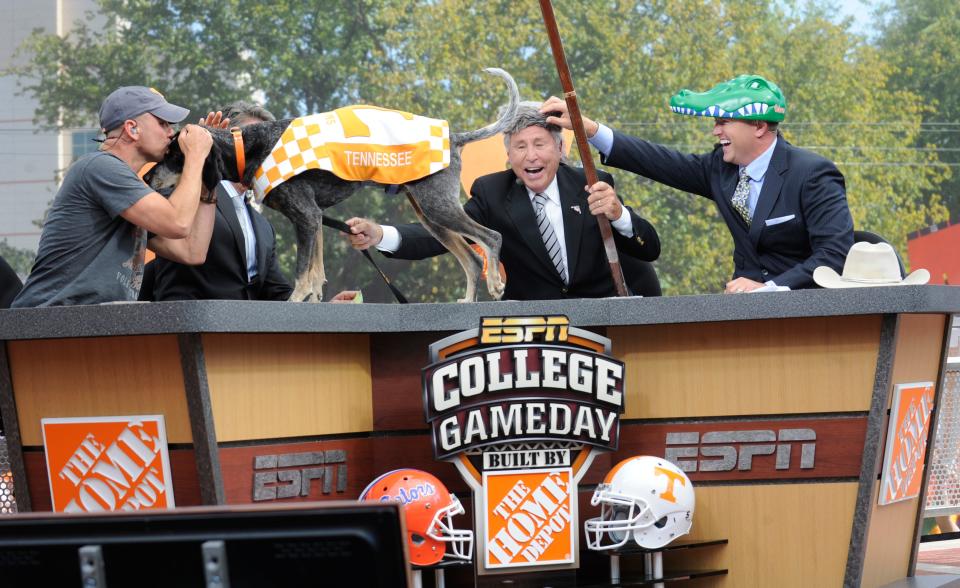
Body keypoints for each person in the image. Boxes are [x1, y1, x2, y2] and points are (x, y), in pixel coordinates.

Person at [542, 74, 854, 293]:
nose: (716, 131)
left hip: (808, 315)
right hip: (745, 314)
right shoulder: (720, 168)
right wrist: (590, 129)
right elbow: (659, 161)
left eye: (723, 122)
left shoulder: (812, 174)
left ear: (759, 126)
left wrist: (769, 288)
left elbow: (834, 255)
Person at [346, 102, 660, 300]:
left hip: (601, 327)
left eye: (539, 144)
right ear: (508, 155)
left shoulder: (592, 183)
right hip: (533, 337)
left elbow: (649, 249)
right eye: (520, 147)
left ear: (559, 149)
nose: (531, 155)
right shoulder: (492, 192)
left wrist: (619, 214)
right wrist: (380, 234)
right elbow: (444, 234)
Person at [12, 86, 216, 307]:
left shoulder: (129, 188)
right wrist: (196, 155)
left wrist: (209, 173)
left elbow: (192, 252)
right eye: (162, 123)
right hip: (50, 321)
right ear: (132, 128)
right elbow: (177, 223)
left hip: (88, 322)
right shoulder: (100, 167)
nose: (171, 132)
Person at [148, 101, 293, 301]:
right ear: (229, 138)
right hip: (186, 323)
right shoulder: (184, 195)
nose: (263, 150)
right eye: (254, 138)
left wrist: (327, 308)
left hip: (243, 330)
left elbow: (278, 293)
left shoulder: (264, 227)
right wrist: (199, 159)